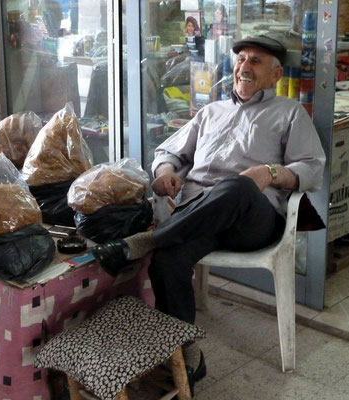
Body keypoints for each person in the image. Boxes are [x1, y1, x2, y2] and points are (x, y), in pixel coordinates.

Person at [91, 35, 325, 388]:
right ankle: (185, 355)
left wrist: (270, 173)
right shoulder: (211, 111)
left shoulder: (289, 113)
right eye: (241, 60)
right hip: (199, 214)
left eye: (256, 61)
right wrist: (166, 172)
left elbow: (311, 169)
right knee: (167, 261)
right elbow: (170, 152)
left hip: (251, 219)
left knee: (239, 185)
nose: (244, 67)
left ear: (276, 75)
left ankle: (145, 240)